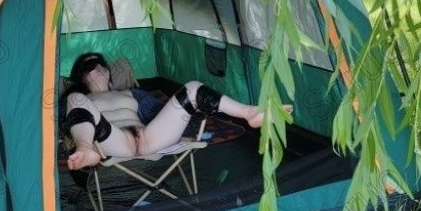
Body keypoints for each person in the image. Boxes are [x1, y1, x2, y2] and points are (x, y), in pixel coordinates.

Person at [63, 52, 293, 171]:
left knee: (193, 88)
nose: (100, 68)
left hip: (150, 138)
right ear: (82, 75)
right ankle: (85, 150)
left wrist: (186, 119)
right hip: (113, 142)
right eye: (92, 66)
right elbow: (69, 125)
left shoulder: (131, 92)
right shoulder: (81, 100)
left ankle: (250, 113)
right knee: (75, 99)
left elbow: (159, 111)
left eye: (102, 64)